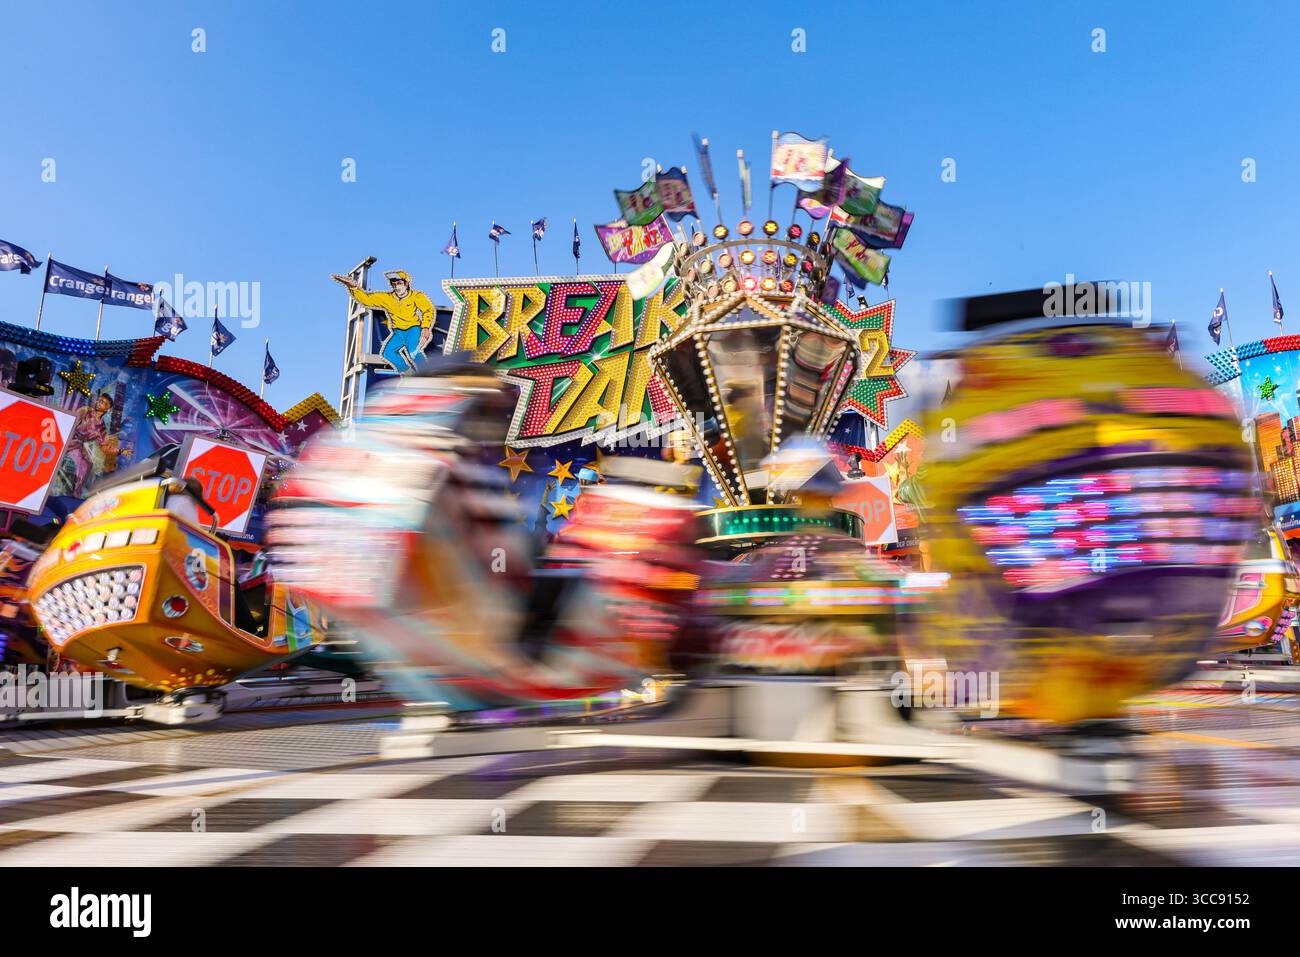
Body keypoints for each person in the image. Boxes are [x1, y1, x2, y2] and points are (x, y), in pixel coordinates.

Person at [331, 269, 437, 373]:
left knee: (413, 351)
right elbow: (366, 300)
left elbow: (428, 310)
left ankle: (426, 373)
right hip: (398, 331)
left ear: (406, 284)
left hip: (413, 329)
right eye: (394, 284)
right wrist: (353, 287)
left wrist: (425, 327)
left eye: (399, 283)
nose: (397, 286)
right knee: (388, 353)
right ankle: (407, 372)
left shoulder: (416, 296)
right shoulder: (387, 298)